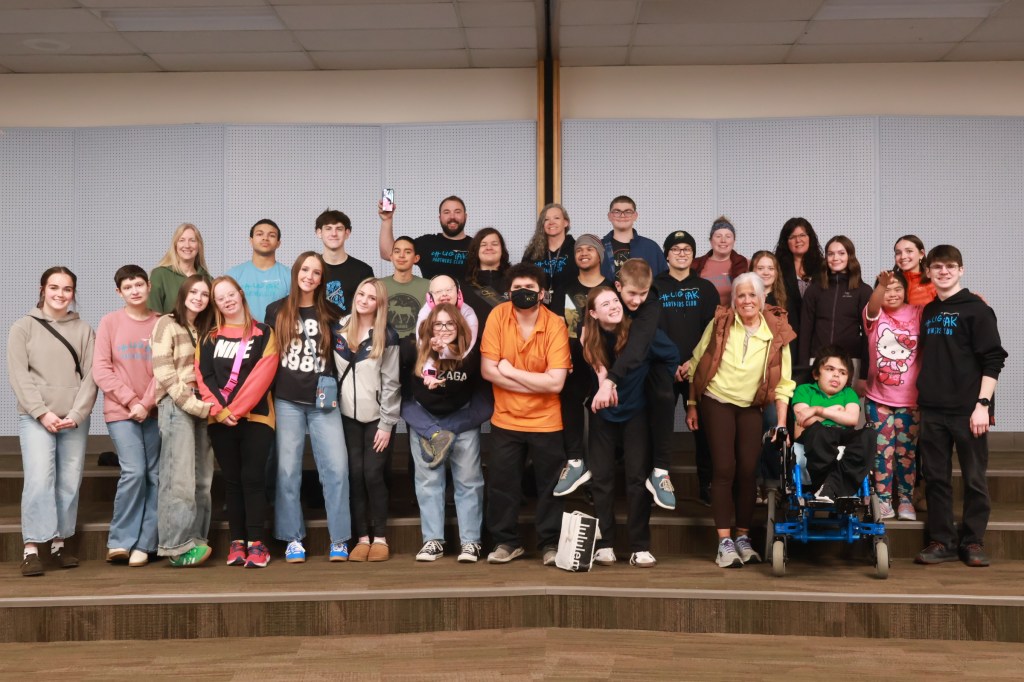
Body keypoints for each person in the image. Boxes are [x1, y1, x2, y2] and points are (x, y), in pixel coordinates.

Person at [686, 273, 795, 569]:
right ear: (734, 299)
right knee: (725, 468)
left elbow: (784, 383)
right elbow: (696, 363)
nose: (747, 301)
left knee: (748, 471)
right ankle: (724, 542)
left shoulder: (777, 331)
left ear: (762, 299)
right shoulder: (721, 323)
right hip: (717, 400)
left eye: (752, 295)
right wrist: (692, 404)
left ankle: (743, 537)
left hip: (750, 405)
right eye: (741, 295)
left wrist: (781, 423)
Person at [914, 245, 1007, 568]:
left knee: (974, 479)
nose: (944, 272)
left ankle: (973, 541)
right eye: (937, 267)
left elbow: (993, 359)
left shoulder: (978, 310)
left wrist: (983, 405)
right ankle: (942, 541)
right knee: (936, 479)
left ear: (961, 270)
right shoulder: (929, 311)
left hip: (969, 410)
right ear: (929, 272)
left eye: (950, 266)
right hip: (932, 408)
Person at [8, 267, 97, 577]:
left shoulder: (84, 330)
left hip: (73, 418)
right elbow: (19, 376)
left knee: (69, 481)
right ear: (42, 289)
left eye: (67, 289)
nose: (61, 294)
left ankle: (59, 543)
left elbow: (92, 376)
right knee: (38, 480)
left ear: (73, 293)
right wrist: (41, 412)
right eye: (54, 287)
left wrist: (76, 414)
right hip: (36, 417)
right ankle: (32, 548)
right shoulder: (23, 327)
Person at [481, 263, 570, 565]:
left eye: (530, 288)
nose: (523, 293)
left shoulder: (555, 324)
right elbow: (488, 371)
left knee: (550, 487)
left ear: (542, 293)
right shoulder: (498, 315)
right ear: (508, 292)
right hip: (505, 419)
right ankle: (506, 542)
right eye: (517, 288)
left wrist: (509, 371)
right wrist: (535, 382)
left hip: (547, 421)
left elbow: (556, 383)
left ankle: (549, 544)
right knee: (502, 485)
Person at [583, 286, 679, 568]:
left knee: (636, 478)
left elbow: (671, 354)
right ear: (593, 313)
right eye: (605, 304)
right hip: (602, 413)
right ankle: (605, 544)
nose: (614, 306)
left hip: (636, 411)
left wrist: (657, 382)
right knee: (601, 478)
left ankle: (640, 547)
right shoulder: (590, 336)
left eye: (615, 300)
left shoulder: (639, 332)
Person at [266, 252, 350, 564]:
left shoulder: (333, 312)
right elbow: (267, 357)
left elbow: (344, 357)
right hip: (287, 400)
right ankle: (292, 538)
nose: (309, 276)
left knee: (337, 469)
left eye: (316, 272)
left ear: (321, 278)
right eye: (305, 270)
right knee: (287, 472)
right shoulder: (276, 310)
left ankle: (339, 538)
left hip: (323, 402)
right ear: (296, 272)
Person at [196, 276, 278, 568]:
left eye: (230, 294)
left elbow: (263, 375)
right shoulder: (209, 337)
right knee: (232, 481)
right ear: (215, 304)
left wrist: (237, 410)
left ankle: (257, 543)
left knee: (253, 478)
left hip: (257, 417)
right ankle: (237, 542)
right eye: (220, 298)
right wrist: (220, 412)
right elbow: (203, 376)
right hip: (219, 420)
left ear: (240, 294)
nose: (227, 300)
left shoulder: (264, 333)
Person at [92, 265, 160, 567]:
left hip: (154, 411)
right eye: (127, 287)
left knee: (156, 475)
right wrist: (132, 401)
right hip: (121, 411)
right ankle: (120, 541)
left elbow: (165, 369)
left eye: (139, 285)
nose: (134, 291)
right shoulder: (110, 322)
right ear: (119, 292)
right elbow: (101, 369)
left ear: (148, 286)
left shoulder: (161, 322)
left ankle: (146, 543)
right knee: (134, 471)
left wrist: (146, 403)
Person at [408, 303, 486, 563]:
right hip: (425, 424)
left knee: (469, 480)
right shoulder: (414, 351)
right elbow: (403, 398)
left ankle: (471, 542)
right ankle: (433, 541)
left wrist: (452, 427)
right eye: (437, 324)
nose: (443, 329)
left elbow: (485, 400)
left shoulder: (472, 355)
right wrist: (431, 430)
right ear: (428, 328)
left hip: (462, 421)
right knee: (428, 481)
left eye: (449, 323)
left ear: (460, 326)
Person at [334, 278, 401, 562]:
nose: (364, 300)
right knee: (354, 474)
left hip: (377, 418)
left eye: (371, 297)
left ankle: (380, 538)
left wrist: (387, 424)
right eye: (361, 294)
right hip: (345, 417)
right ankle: (361, 538)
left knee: (373, 474)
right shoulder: (338, 328)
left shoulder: (387, 335)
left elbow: (392, 383)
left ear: (379, 304)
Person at [152, 275, 216, 567]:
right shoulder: (167, 323)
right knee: (178, 478)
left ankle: (197, 541)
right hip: (177, 403)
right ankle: (176, 547)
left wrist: (205, 406)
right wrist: (191, 404)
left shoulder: (206, 328)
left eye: (204, 294)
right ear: (183, 294)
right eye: (194, 292)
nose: (199, 298)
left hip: (203, 404)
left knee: (202, 479)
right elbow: (164, 372)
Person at [655, 231, 719, 506]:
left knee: (704, 430)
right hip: (662, 368)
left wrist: (693, 362)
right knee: (658, 428)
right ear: (667, 254)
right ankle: (657, 482)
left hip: (698, 369)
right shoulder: (654, 287)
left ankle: (706, 484)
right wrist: (671, 362)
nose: (681, 253)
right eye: (676, 249)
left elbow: (713, 332)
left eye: (687, 249)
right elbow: (650, 329)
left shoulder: (706, 289)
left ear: (693, 255)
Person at [552, 234, 613, 495]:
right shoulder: (564, 288)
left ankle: (598, 481)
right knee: (570, 413)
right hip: (572, 363)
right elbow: (556, 327)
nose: (584, 253)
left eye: (590, 249)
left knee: (602, 424)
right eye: (579, 249)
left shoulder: (612, 288)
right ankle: (575, 463)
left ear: (600, 255)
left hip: (605, 365)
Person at [863, 270, 923, 521]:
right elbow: (872, 306)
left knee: (906, 452)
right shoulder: (876, 315)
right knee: (881, 451)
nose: (892, 294)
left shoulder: (918, 313)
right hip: (878, 398)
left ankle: (906, 499)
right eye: (887, 289)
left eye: (898, 288)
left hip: (911, 400)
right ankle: (884, 499)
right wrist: (882, 286)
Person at [792, 347, 874, 502]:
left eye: (842, 372)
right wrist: (835, 411)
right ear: (816, 374)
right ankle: (828, 485)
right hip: (815, 434)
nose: (836, 375)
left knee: (869, 434)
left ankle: (830, 486)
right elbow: (804, 420)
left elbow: (852, 419)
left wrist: (818, 410)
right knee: (819, 431)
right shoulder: (804, 390)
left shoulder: (849, 393)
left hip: (842, 434)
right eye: (830, 369)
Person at [799, 235, 871, 384]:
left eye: (841, 253)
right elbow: (805, 332)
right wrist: (803, 369)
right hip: (817, 361)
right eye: (830, 254)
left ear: (850, 256)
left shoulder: (863, 291)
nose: (835, 258)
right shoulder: (814, 290)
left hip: (851, 362)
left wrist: (864, 375)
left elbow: (867, 335)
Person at [379, 196, 473, 280]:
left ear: (465, 216)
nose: (452, 216)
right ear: (440, 217)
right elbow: (388, 254)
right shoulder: (427, 243)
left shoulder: (476, 246)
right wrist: (387, 220)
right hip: (431, 295)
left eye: (457, 212)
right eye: (446, 212)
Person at [773, 217, 824, 364]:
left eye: (802, 235)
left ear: (810, 238)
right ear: (786, 241)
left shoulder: (823, 266)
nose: (798, 240)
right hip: (788, 333)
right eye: (792, 237)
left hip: (817, 333)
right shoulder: (777, 267)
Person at [226, 219, 291, 323]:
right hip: (242, 333)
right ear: (251, 240)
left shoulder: (290, 276)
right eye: (260, 234)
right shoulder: (233, 275)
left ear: (278, 243)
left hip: (278, 333)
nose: (265, 238)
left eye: (272, 235)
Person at [316, 209, 374, 316]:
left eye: (339, 229)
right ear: (319, 233)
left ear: (347, 233)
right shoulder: (310, 269)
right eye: (328, 228)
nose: (334, 234)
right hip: (315, 326)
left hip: (351, 327)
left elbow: (369, 309)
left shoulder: (363, 271)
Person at [523, 203, 577, 316]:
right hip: (538, 312)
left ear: (566, 222)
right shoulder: (531, 253)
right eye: (546, 219)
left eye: (556, 218)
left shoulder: (577, 249)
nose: (551, 222)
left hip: (570, 312)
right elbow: (524, 282)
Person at [148, 223, 211, 314]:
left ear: (199, 246)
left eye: (192, 240)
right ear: (175, 245)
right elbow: (152, 314)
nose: (187, 245)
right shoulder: (160, 275)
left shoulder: (208, 279)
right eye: (182, 240)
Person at [599, 196, 667, 281]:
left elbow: (664, 281)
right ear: (609, 216)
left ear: (635, 216)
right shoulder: (599, 247)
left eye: (628, 212)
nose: (622, 215)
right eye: (617, 212)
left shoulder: (651, 248)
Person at [692, 216, 749, 307]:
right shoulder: (695, 265)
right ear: (711, 240)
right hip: (704, 316)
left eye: (728, 236)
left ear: (734, 240)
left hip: (734, 315)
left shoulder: (746, 264)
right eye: (718, 236)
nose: (723, 240)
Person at [380, 236, 429, 340]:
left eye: (407, 252)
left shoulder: (429, 286)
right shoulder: (378, 285)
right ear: (391, 257)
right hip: (384, 344)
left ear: (416, 258)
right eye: (397, 251)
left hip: (416, 345)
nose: (401, 255)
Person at [463, 227, 511, 312]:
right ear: (476, 250)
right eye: (483, 245)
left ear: (502, 249)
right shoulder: (465, 284)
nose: (489, 248)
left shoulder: (513, 281)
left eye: (494, 244)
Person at [893, 234, 936, 305]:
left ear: (921, 254)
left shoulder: (934, 284)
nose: (903, 256)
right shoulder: (888, 283)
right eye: (898, 253)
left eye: (909, 251)